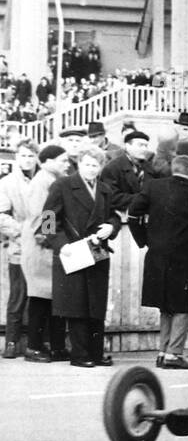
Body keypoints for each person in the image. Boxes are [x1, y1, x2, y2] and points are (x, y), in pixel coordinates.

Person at [44, 148, 122, 368]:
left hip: (97, 253)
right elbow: (48, 217)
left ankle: (96, 353)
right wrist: (61, 245)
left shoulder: (104, 190)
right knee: (77, 305)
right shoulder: (62, 186)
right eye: (87, 164)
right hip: (73, 252)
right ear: (79, 164)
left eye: (96, 165)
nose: (91, 169)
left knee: (96, 305)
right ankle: (79, 354)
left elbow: (114, 216)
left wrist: (111, 227)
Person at [129, 155, 188, 369]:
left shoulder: (153, 186)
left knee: (166, 305)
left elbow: (132, 213)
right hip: (182, 256)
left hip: (155, 254)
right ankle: (173, 354)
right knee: (182, 306)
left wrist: (144, 240)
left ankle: (164, 352)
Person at [20, 145, 70, 362]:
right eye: (62, 160)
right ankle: (34, 347)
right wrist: (50, 237)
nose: (66, 164)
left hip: (42, 246)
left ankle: (48, 345)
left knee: (48, 299)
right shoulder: (44, 181)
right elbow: (45, 212)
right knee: (40, 299)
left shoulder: (46, 179)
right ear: (48, 161)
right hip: (40, 247)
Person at [0, 142, 36, 358]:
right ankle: (11, 342)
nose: (28, 159)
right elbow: (2, 215)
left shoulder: (43, 181)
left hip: (41, 247)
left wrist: (45, 235)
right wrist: (22, 231)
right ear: (16, 157)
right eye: (23, 155)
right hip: (19, 247)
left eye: (31, 155)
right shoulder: (6, 183)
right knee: (18, 296)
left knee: (39, 298)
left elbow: (49, 209)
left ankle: (37, 343)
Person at [100, 130, 157, 216]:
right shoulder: (113, 168)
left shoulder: (150, 168)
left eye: (146, 146)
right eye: (140, 145)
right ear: (127, 146)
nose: (144, 149)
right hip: (122, 218)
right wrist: (143, 199)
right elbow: (112, 197)